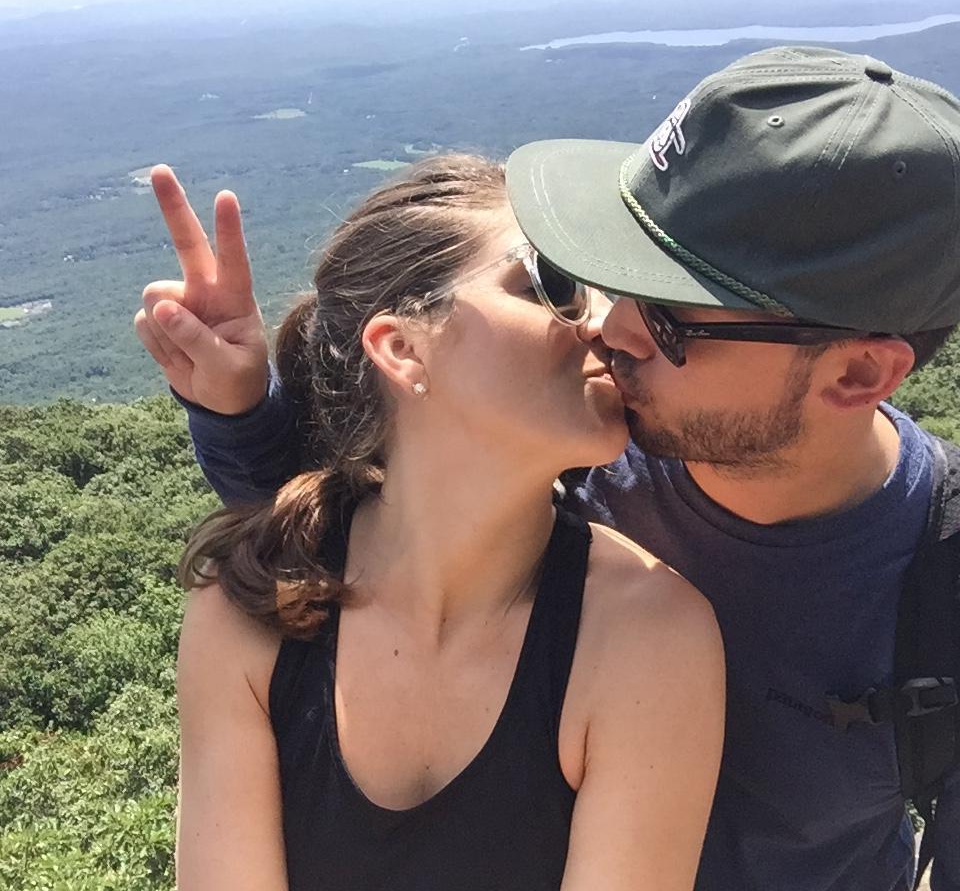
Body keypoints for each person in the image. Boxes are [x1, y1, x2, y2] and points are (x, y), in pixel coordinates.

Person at [136, 45, 960, 891]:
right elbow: (356, 528)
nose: (612, 327)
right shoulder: (585, 439)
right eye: (614, 271)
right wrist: (239, 412)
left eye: (675, 318)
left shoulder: (937, 582)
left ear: (858, 374)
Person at [144, 156, 725, 891]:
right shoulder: (250, 605)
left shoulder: (652, 636)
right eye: (553, 285)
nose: (608, 325)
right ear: (402, 348)